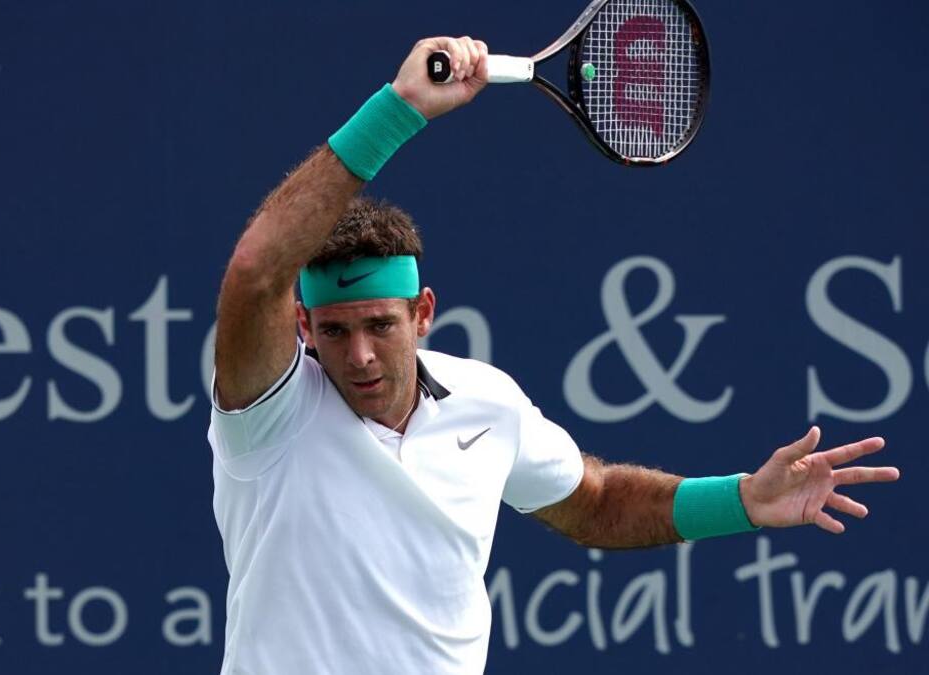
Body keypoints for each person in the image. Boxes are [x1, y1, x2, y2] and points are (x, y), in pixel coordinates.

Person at [206, 36, 900, 674]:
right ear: (301, 324)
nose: (358, 353)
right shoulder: (270, 412)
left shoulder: (487, 403)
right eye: (333, 331)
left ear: (422, 315)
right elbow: (256, 270)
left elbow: (593, 501)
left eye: (380, 325)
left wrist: (742, 499)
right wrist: (399, 110)